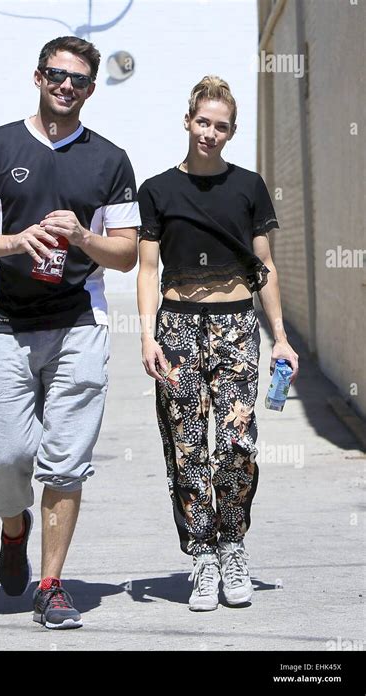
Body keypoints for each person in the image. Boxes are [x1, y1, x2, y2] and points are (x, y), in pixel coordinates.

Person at [0, 36, 140, 629]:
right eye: (57, 75)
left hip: (80, 322)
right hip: (5, 322)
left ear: (90, 89)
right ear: (38, 77)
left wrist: (83, 238)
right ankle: (14, 526)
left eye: (79, 80)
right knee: (5, 458)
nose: (66, 86)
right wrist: (13, 241)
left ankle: (52, 584)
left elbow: (127, 254)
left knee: (65, 461)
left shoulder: (110, 160)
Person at [137, 76, 299, 612]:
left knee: (235, 445)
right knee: (187, 449)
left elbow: (265, 267)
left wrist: (280, 337)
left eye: (221, 126)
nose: (210, 132)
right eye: (202, 121)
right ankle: (201, 556)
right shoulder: (157, 189)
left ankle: (233, 546)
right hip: (178, 325)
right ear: (188, 121)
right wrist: (145, 333)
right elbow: (146, 268)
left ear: (231, 132)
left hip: (235, 325)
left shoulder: (248, 186)